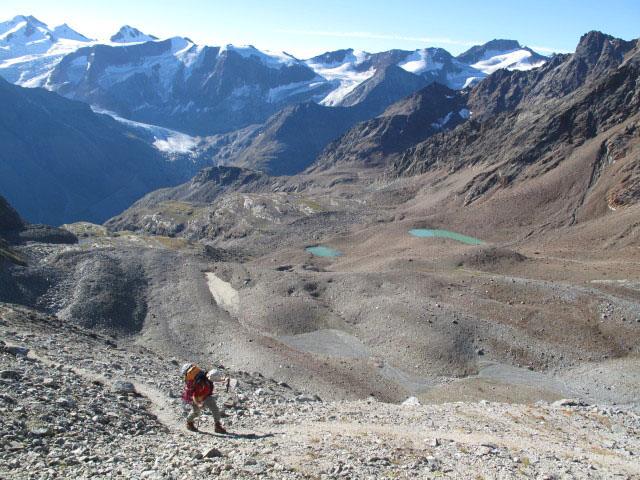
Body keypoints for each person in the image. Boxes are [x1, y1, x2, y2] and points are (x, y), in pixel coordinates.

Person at [181, 363, 229, 433]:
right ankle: (189, 422)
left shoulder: (208, 379)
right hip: (198, 398)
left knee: (215, 409)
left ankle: (217, 426)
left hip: (207, 396)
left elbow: (216, 379)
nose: (214, 380)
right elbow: (194, 396)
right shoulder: (200, 384)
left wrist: (224, 379)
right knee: (196, 412)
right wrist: (198, 404)